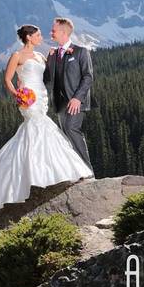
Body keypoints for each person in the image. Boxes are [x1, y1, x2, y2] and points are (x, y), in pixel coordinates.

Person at [0, 24, 93, 222]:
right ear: (29, 37)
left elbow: (49, 76)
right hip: (28, 98)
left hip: (41, 97)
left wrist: (59, 57)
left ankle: (44, 172)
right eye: (38, 34)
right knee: (37, 127)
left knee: (41, 128)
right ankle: (33, 176)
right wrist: (18, 95)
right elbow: (7, 79)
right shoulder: (17, 55)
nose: (42, 37)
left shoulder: (41, 56)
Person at [44, 16, 94, 171]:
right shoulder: (52, 55)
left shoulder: (81, 52)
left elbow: (88, 76)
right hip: (60, 103)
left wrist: (77, 98)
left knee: (71, 128)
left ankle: (88, 170)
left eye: (54, 30)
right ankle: (74, 171)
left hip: (75, 101)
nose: (51, 32)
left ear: (63, 32)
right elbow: (46, 78)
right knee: (65, 134)